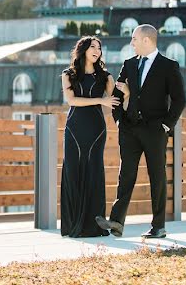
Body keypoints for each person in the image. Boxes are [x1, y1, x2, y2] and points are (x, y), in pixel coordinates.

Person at [95, 24, 186, 239]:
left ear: (146, 40)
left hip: (155, 130)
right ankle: (117, 222)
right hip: (129, 129)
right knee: (125, 175)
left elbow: (180, 99)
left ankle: (158, 226)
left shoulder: (168, 66)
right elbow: (117, 94)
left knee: (157, 177)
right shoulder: (129, 64)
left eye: (134, 39)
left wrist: (166, 125)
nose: (131, 43)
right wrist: (119, 121)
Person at [60, 36, 120, 237]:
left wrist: (127, 94)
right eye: (93, 47)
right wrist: (99, 100)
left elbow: (116, 100)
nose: (97, 50)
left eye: (99, 48)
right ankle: (73, 224)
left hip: (96, 130)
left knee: (94, 172)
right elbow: (72, 100)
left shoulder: (106, 77)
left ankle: (94, 225)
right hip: (74, 129)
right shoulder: (69, 75)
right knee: (72, 172)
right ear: (83, 50)